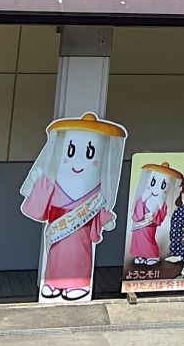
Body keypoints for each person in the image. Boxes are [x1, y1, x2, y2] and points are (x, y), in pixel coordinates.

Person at [17, 112, 126, 302]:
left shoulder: (96, 191)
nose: (78, 162)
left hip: (81, 229)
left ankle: (79, 283)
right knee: (55, 255)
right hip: (58, 224)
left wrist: (105, 218)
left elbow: (99, 211)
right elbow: (41, 206)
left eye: (90, 154)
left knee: (80, 255)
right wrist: (39, 185)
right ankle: (53, 282)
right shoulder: (55, 183)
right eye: (71, 151)